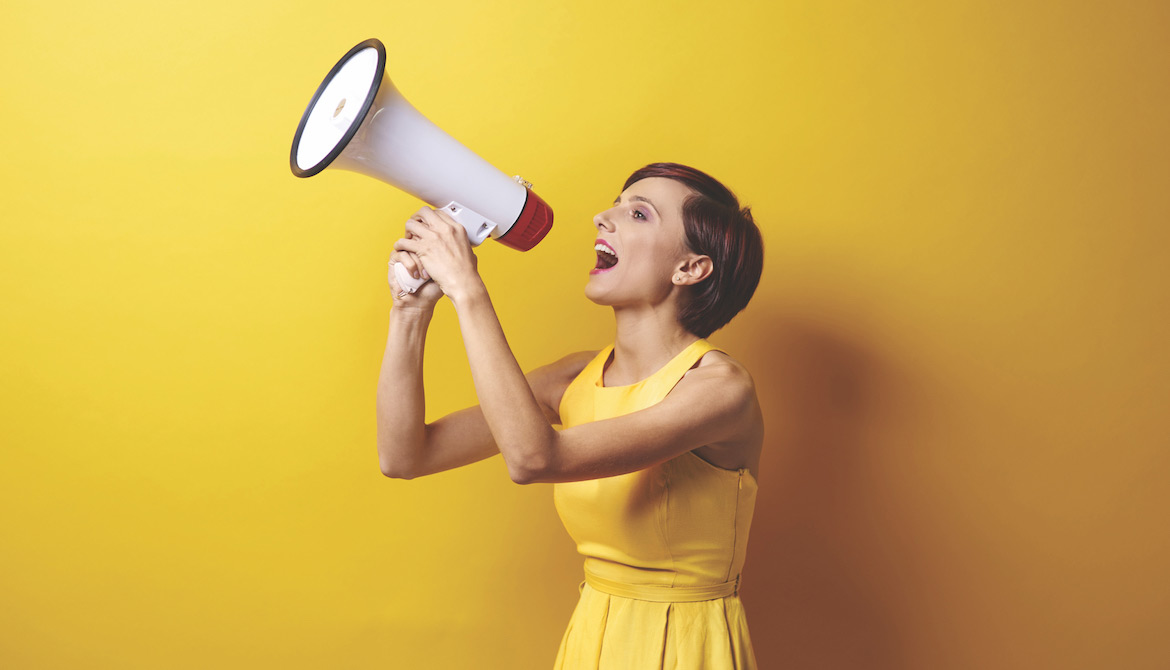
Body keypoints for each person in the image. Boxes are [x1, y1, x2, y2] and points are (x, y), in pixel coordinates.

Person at [376, 162, 765, 669]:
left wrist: (468, 291)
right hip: (592, 639)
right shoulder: (574, 378)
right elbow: (406, 455)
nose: (605, 217)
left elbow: (535, 459)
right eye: (616, 203)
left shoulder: (719, 391)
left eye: (639, 214)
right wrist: (410, 311)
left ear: (690, 269)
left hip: (687, 648)